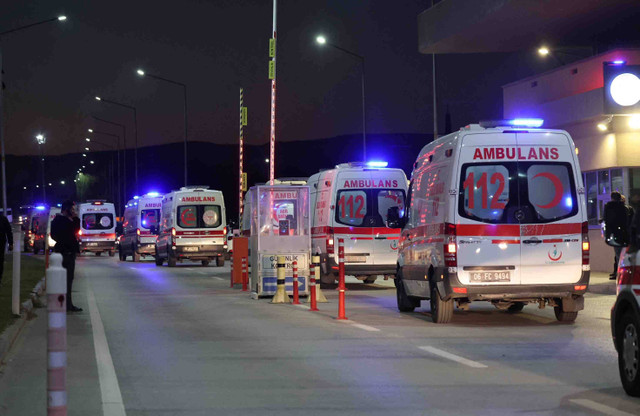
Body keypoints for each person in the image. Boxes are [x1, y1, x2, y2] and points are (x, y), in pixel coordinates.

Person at [51, 200, 82, 312]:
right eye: (72, 209)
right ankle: (67, 305)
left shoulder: (56, 220)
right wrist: (75, 218)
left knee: (62, 280)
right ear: (67, 209)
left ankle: (61, 304)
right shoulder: (65, 221)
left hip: (61, 252)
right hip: (67, 253)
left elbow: (54, 235)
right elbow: (75, 229)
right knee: (67, 280)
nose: (73, 211)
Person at [603, 191, 633, 280]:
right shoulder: (626, 208)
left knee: (618, 255)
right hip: (626, 234)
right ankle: (624, 273)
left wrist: (607, 234)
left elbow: (607, 221)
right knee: (624, 255)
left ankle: (621, 273)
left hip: (615, 234)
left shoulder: (609, 207)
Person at [0, 213, 13, 286]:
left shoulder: (3, 219)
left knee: (0, 261)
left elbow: (8, 231)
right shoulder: (3, 219)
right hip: (2, 242)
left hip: (1, 243)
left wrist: (11, 243)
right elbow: (8, 231)